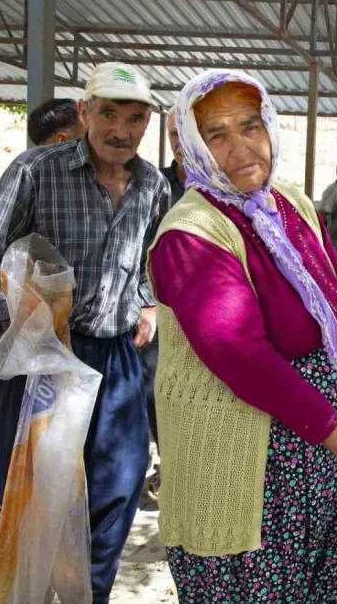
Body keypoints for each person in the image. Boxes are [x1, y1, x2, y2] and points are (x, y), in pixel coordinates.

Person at [148, 69, 337, 602]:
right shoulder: (191, 235)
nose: (241, 147)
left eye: (250, 126)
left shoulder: (290, 204)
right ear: (188, 148)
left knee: (319, 584)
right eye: (216, 135)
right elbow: (244, 358)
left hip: (317, 456)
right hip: (251, 473)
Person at [0, 61, 169, 601]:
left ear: (147, 123)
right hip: (43, 356)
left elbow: (158, 259)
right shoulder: (38, 169)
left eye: (135, 118)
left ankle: (90, 592)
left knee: (119, 481)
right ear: (84, 112)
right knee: (32, 496)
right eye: (108, 114)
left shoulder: (153, 183)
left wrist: (149, 304)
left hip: (117, 356)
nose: (120, 131)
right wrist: (12, 324)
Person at [0, 98, 88, 557]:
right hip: (30, 335)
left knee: (28, 430)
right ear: (62, 140)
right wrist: (9, 319)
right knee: (11, 430)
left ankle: (17, 523)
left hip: (60, 336)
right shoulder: (33, 173)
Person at [139, 108, 186, 501]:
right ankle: (166, 464)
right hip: (159, 304)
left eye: (186, 131)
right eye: (173, 132)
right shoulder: (155, 184)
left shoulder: (226, 189)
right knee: (155, 386)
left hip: (208, 309)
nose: (179, 140)